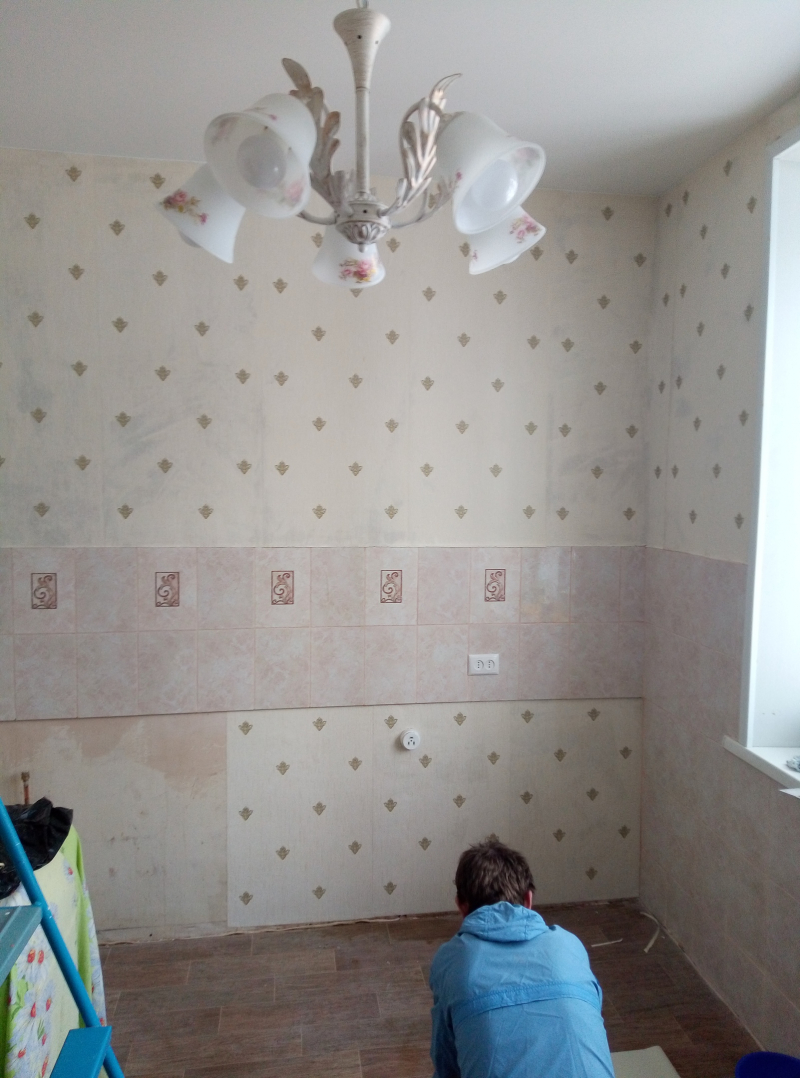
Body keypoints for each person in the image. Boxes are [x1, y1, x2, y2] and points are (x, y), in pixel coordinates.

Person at [429, 839, 615, 1078]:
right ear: (529, 900)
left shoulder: (452, 962)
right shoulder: (569, 946)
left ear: (461, 907)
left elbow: (446, 1063)